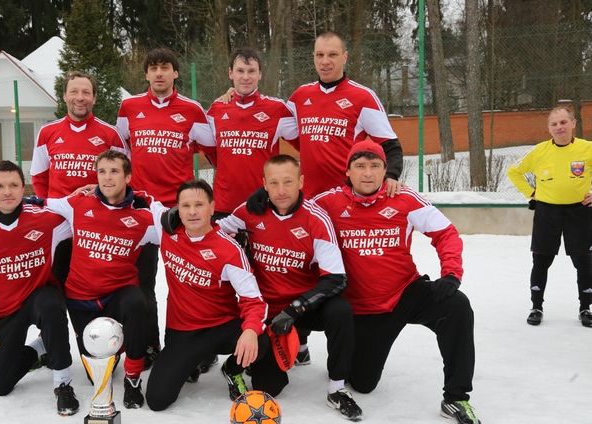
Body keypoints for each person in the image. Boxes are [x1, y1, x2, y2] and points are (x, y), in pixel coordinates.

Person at [313, 140, 482, 424]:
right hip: (361, 308)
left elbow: (446, 233)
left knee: (457, 306)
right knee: (363, 383)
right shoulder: (327, 203)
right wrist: (259, 205)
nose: (368, 173)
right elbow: (290, 218)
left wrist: (451, 274)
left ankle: (456, 398)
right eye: (360, 166)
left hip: (404, 293)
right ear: (348, 171)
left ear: (385, 170)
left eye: (375, 166)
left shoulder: (403, 198)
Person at [217, 155, 361, 421]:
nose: (281, 190)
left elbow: (336, 278)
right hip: (267, 309)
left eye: (288, 182)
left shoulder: (316, 218)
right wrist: (176, 219)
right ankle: (240, 364)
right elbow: (211, 230)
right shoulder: (249, 211)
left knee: (340, 310)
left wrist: (295, 309)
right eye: (274, 183)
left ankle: (336, 388)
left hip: (303, 305)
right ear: (264, 185)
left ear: (301, 182)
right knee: (268, 387)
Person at [0, 161, 79, 416]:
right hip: (4, 310)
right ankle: (40, 348)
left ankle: (63, 383)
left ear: (23, 188)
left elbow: (86, 218)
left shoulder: (46, 219)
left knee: (51, 304)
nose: (7, 192)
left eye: (13, 185)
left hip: (40, 299)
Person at [116, 48, 216, 369]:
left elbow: (214, 151)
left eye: (165, 68)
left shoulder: (192, 109)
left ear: (175, 73)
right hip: (142, 209)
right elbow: (121, 153)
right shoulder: (129, 107)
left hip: (180, 211)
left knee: (188, 283)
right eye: (153, 68)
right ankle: (149, 346)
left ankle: (197, 349)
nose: (159, 73)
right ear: (146, 74)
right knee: (143, 284)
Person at [44, 150, 161, 408]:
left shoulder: (143, 218)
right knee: (94, 373)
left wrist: (146, 198)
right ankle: (110, 350)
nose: (107, 178)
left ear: (127, 177)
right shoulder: (77, 204)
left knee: (137, 301)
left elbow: (175, 226)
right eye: (102, 172)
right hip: (81, 300)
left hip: (118, 297)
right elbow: (36, 204)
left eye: (114, 171)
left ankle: (132, 379)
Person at [146, 180, 269, 411]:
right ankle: (193, 362)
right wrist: (98, 190)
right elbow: (144, 199)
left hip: (221, 326)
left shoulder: (228, 249)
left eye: (199, 205)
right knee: (157, 400)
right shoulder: (167, 231)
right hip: (183, 330)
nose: (192, 212)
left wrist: (251, 331)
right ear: (178, 209)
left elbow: (253, 300)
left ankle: (232, 369)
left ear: (212, 207)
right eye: (186, 206)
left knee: (260, 339)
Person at [29, 71, 127, 283]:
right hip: (57, 221)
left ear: (94, 98)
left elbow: (124, 178)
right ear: (64, 96)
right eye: (74, 92)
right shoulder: (47, 132)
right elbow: (38, 177)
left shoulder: (110, 134)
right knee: (57, 281)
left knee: (94, 282)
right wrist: (49, 209)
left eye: (86, 92)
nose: (80, 97)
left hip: (96, 223)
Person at [287, 31, 403, 199]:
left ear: (345, 57)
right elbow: (278, 124)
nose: (325, 61)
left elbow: (390, 145)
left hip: (347, 199)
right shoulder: (299, 96)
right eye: (320, 55)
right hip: (309, 199)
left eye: (332, 55)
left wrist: (391, 175)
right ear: (313, 57)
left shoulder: (363, 97)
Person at [507, 106, 592, 328]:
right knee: (541, 261)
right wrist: (531, 193)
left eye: (563, 122)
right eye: (554, 124)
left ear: (573, 123)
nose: (559, 127)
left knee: (583, 261)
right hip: (547, 213)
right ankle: (536, 307)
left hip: (579, 212)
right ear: (549, 128)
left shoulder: (587, 149)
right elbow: (514, 171)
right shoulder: (539, 151)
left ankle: (585, 308)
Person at [204, 48, 298, 217]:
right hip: (224, 206)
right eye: (240, 71)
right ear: (231, 73)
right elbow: (208, 149)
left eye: (251, 71)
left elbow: (306, 142)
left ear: (260, 74)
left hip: (263, 204)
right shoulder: (216, 109)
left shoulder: (277, 109)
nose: (246, 77)